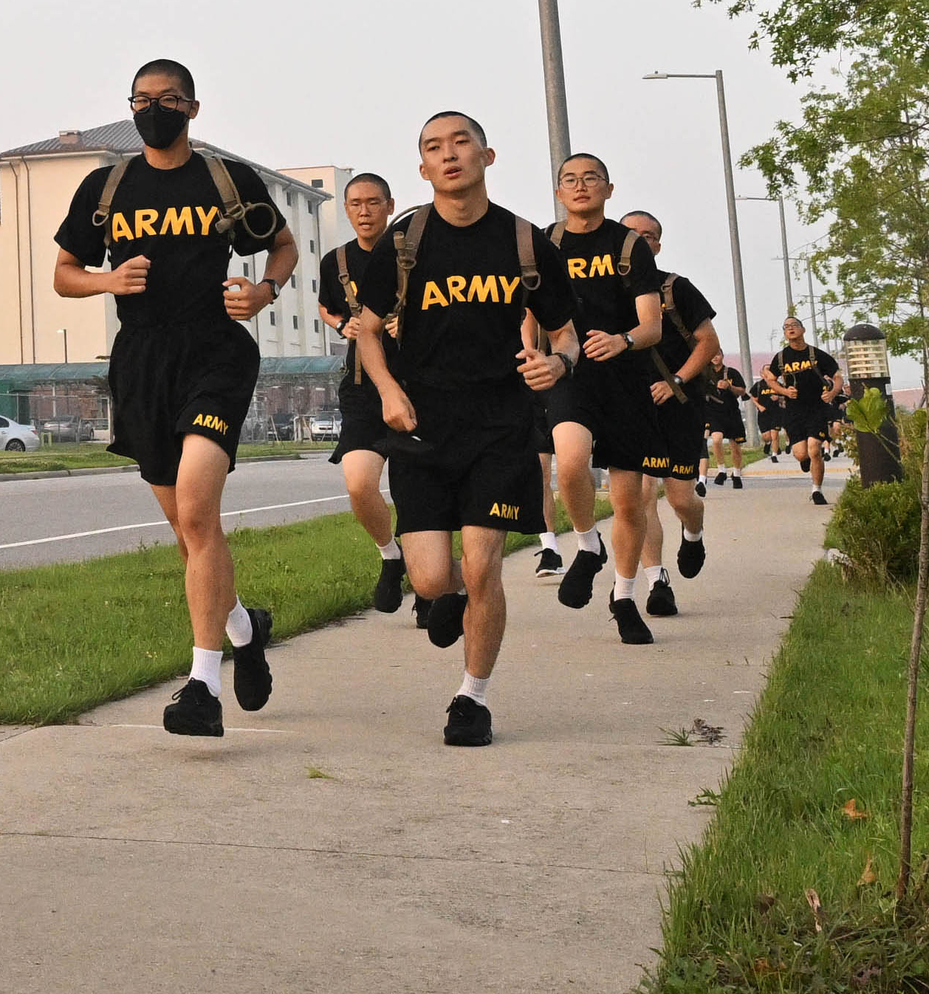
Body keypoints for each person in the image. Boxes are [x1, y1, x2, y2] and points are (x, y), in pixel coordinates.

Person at [51, 61, 300, 737]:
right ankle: (245, 627)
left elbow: (282, 245)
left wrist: (264, 292)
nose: (152, 109)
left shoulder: (226, 180)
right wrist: (107, 280)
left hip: (215, 351)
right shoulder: (107, 186)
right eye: (141, 100)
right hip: (142, 361)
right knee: (192, 534)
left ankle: (202, 685)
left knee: (197, 508)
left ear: (191, 107)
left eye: (166, 100)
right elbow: (63, 275)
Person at [354, 110, 559, 745]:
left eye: (461, 143)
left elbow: (565, 331)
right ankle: (449, 605)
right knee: (431, 580)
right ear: (423, 168)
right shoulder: (404, 240)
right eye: (434, 148)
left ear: (487, 156)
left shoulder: (526, 242)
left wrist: (558, 361)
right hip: (421, 426)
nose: (450, 155)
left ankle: (472, 698)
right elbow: (365, 326)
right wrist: (387, 390)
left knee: (483, 564)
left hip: (500, 425)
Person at [534, 152, 666, 647]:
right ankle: (587, 547)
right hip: (570, 374)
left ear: (608, 189)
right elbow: (532, 308)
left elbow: (650, 324)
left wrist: (622, 340)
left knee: (631, 504)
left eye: (591, 178)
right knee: (569, 463)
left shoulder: (628, 244)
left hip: (626, 381)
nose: (581, 185)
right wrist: (530, 350)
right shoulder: (546, 243)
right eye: (570, 179)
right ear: (558, 191)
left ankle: (625, 597)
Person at [620, 211, 725, 613]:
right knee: (642, 493)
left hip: (679, 404)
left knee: (681, 497)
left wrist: (677, 381)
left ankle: (694, 534)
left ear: (658, 246)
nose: (640, 241)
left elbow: (708, 342)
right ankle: (656, 581)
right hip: (634, 409)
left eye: (648, 236)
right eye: (631, 234)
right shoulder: (609, 292)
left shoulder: (675, 288)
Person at [316, 171, 409, 615]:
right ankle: (391, 556)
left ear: (390, 206)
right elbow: (326, 305)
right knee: (359, 485)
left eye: (374, 202)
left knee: (418, 495)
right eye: (355, 203)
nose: (365, 211)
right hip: (360, 388)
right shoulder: (336, 262)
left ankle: (435, 586)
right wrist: (340, 323)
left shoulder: (411, 257)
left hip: (415, 389)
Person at [763, 314, 838, 502]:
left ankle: (817, 490)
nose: (790, 328)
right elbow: (770, 380)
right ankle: (805, 461)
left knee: (814, 449)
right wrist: (784, 391)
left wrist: (833, 393)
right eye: (786, 326)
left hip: (816, 408)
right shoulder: (781, 358)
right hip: (794, 411)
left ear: (803, 330)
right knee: (801, 453)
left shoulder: (816, 355)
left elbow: (838, 376)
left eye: (794, 325)